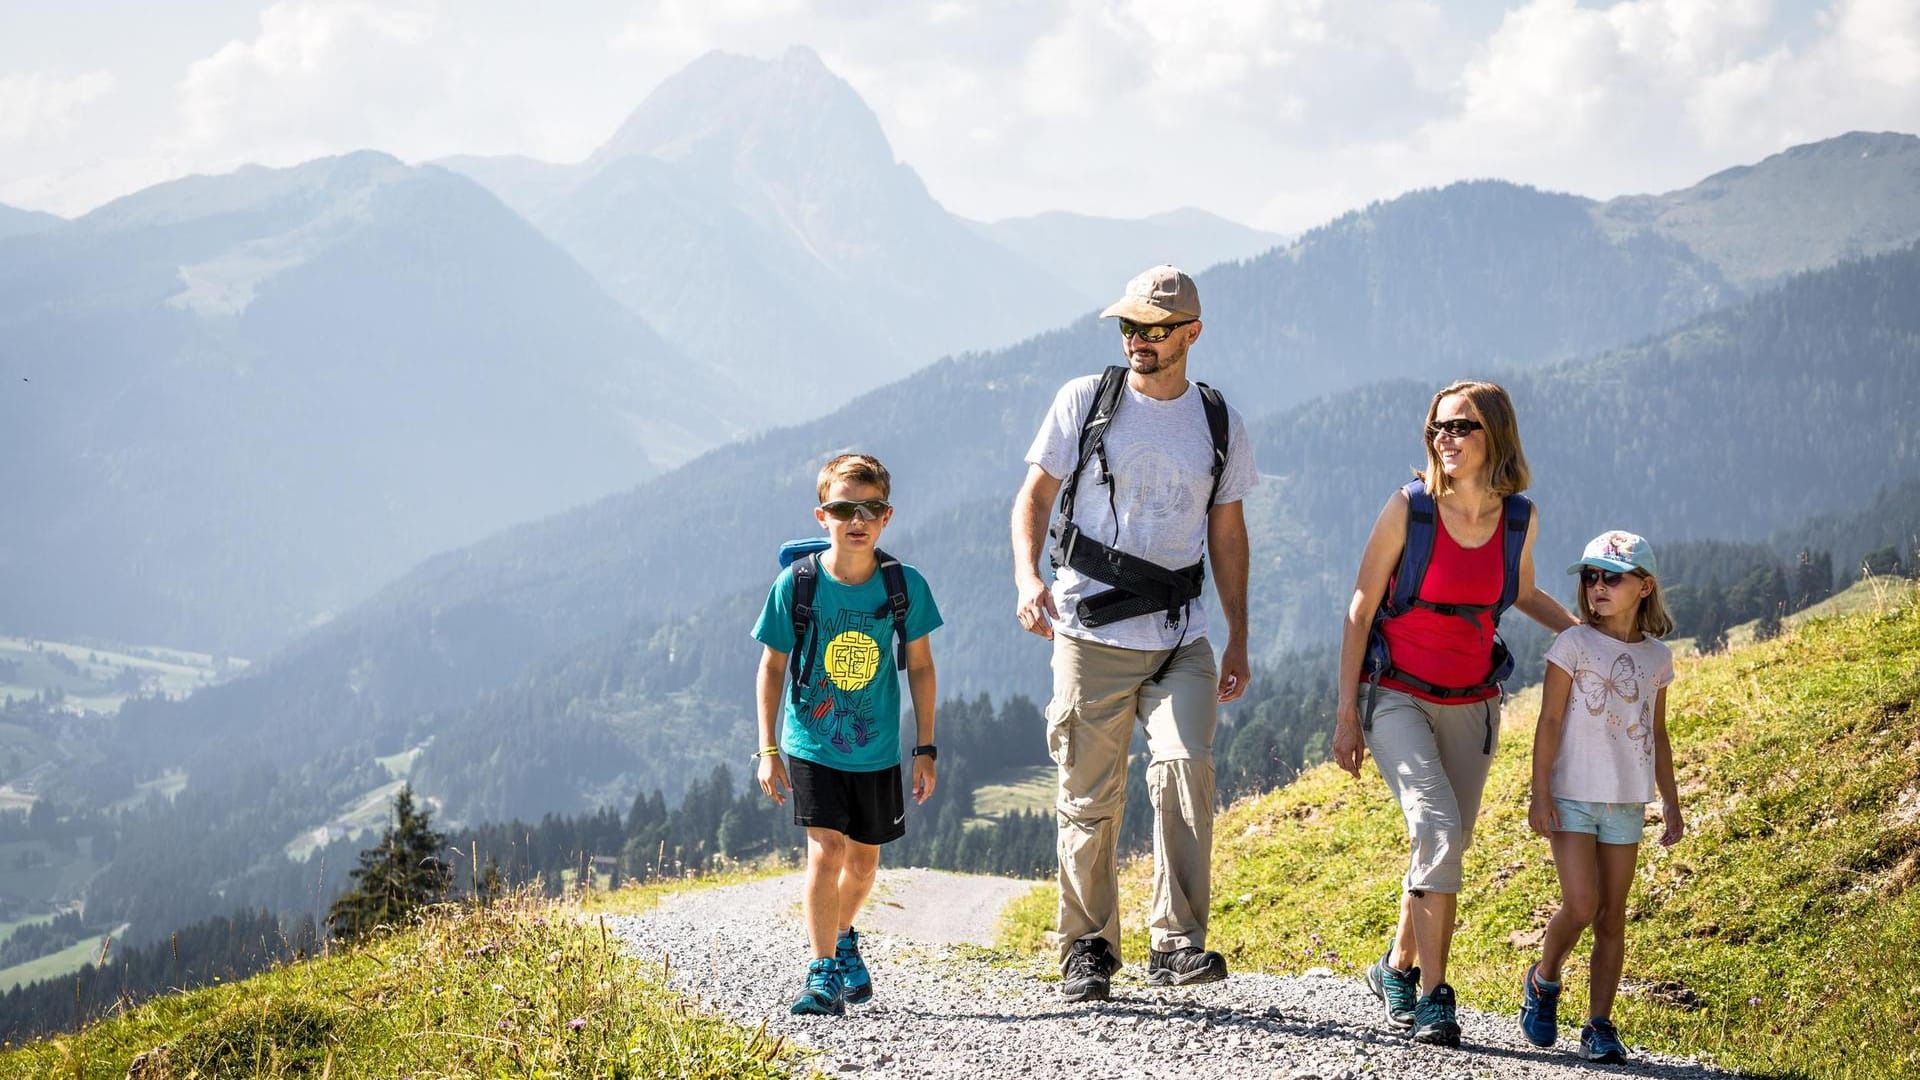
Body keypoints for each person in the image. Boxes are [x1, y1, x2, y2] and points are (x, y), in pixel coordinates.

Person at [1011, 264, 1257, 1003]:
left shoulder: (1219, 423)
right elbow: (1034, 494)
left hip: (1183, 634)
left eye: (1153, 330)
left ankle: (1177, 945)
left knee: (1187, 771)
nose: (1137, 340)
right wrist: (1028, 579)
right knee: (1089, 796)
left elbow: (1230, 534)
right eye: (1128, 327)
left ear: (1192, 334)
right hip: (1089, 629)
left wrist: (1238, 635)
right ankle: (1086, 947)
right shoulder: (1086, 401)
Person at [1332, 380, 1577, 1046]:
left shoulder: (1517, 518)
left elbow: (1521, 592)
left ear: (1494, 434)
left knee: (1443, 846)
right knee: (1437, 829)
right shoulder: (1409, 510)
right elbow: (1360, 609)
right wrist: (1347, 715)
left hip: (1473, 704)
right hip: (1398, 696)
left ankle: (1395, 966)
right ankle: (1437, 995)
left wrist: (1587, 636)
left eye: (1461, 427)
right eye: (1437, 428)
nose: (1445, 439)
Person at [753, 453, 943, 1017]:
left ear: (887, 516)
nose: (856, 519)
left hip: (876, 747)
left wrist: (925, 748)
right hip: (811, 742)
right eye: (843, 507)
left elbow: (923, 667)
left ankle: (842, 936)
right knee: (826, 851)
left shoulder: (903, 586)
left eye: (870, 508)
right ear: (822, 514)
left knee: (863, 865)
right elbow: (771, 667)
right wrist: (768, 749)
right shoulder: (799, 585)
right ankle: (821, 972)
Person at [1519, 531, 1682, 1064]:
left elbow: (1657, 734)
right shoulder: (1572, 645)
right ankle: (1544, 980)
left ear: (1645, 586)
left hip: (1626, 801)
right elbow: (1549, 721)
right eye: (1590, 577)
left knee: (1613, 915)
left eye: (1612, 577)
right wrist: (1539, 792)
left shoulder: (1658, 658)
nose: (1598, 588)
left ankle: (1599, 1025)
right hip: (1571, 796)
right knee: (1582, 904)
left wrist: (1671, 801)